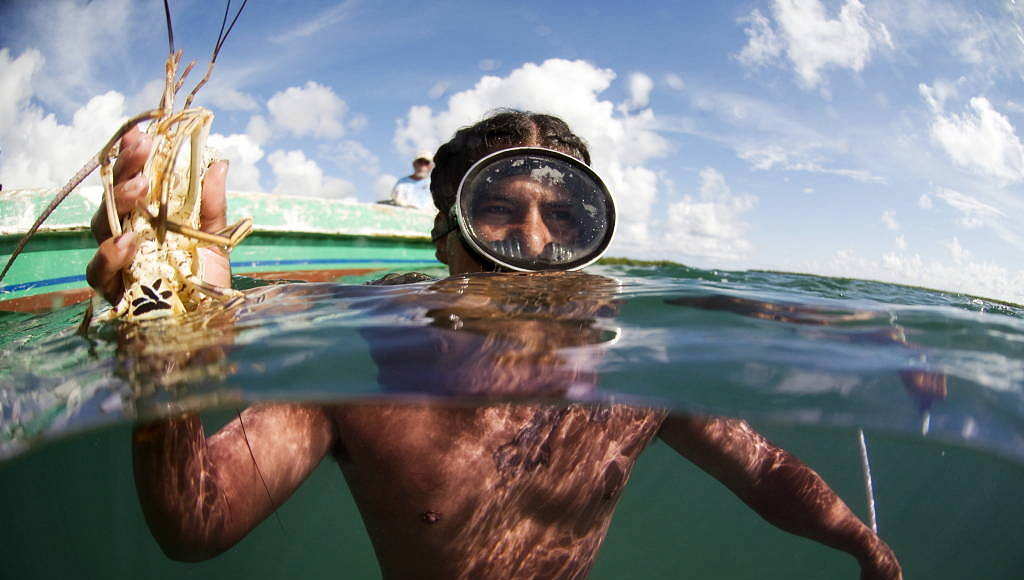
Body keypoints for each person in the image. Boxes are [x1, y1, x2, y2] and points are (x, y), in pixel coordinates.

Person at [86, 111, 903, 579]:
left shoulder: (630, 368)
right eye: (500, 213)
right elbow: (199, 522)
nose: (534, 247)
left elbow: (760, 468)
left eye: (565, 218)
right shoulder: (366, 355)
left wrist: (864, 547)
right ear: (447, 238)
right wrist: (169, 371)